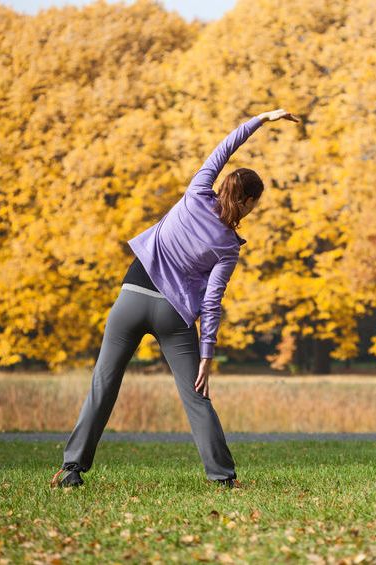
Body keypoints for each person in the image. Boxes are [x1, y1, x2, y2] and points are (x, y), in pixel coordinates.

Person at [52, 109, 299, 488]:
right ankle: (223, 478)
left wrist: (262, 119)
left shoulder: (197, 191)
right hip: (174, 313)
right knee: (197, 396)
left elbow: (225, 147)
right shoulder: (228, 246)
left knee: (103, 381)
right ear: (248, 201)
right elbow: (212, 303)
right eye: (255, 205)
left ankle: (71, 470)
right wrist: (206, 356)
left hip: (132, 296)